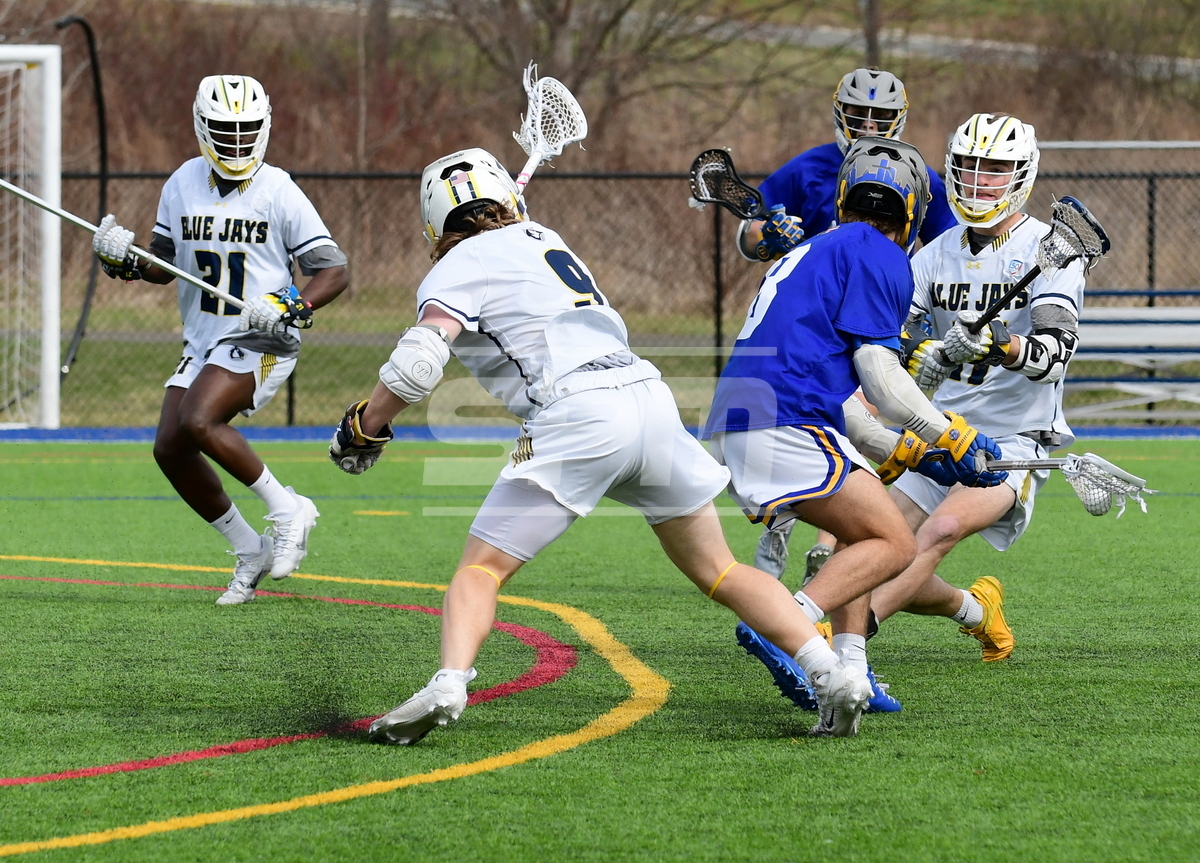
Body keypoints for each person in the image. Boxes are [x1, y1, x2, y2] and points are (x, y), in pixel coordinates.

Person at [329, 147, 876, 743]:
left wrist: (367, 425)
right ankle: (832, 673)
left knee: (481, 569)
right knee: (721, 570)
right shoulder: (545, 237)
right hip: (648, 397)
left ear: (435, 222)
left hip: (578, 412)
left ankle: (449, 682)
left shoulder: (457, 263)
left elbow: (418, 362)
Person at [702, 136, 1007, 731]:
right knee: (894, 544)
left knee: (858, 534)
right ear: (912, 212)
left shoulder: (816, 249)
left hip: (746, 415)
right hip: (785, 417)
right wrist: (947, 434)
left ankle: (850, 673)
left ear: (843, 199)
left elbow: (832, 387)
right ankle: (790, 622)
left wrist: (904, 449)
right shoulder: (879, 252)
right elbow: (878, 375)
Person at [92, 74, 349, 605]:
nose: (236, 141)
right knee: (170, 448)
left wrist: (289, 303)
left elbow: (333, 270)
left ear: (264, 127)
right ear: (201, 127)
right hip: (205, 341)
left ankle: (289, 509)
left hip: (263, 337)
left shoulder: (278, 189)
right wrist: (125, 258)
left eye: (245, 130)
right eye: (224, 130)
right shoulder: (182, 182)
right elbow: (164, 265)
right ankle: (249, 548)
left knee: (198, 419)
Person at [864, 112, 1084, 662]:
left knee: (939, 530)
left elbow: (1056, 354)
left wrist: (997, 345)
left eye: (995, 169)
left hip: (1014, 441)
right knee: (878, 548)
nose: (980, 179)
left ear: (1022, 174)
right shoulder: (933, 254)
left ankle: (846, 636)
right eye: (969, 166)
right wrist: (923, 353)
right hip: (942, 433)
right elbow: (893, 334)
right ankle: (975, 609)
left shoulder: (1051, 250)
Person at [741, 67, 960, 584]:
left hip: (873, 313)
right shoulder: (808, 168)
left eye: (880, 117)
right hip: (808, 320)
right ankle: (801, 517)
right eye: (858, 114)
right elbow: (750, 234)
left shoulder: (917, 175)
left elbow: (946, 248)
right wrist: (768, 236)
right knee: (840, 415)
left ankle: (821, 535)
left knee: (859, 415)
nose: (868, 125)